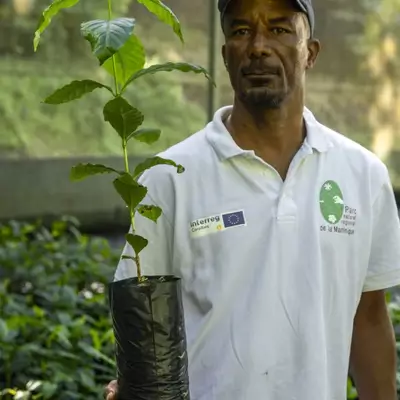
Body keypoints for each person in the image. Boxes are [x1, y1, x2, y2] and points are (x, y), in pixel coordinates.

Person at [106, 0, 400, 398]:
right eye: (241, 30)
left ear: (310, 52)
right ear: (226, 54)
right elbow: (144, 326)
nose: (258, 46)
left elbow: (367, 319)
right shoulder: (169, 176)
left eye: (279, 30)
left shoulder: (362, 176)